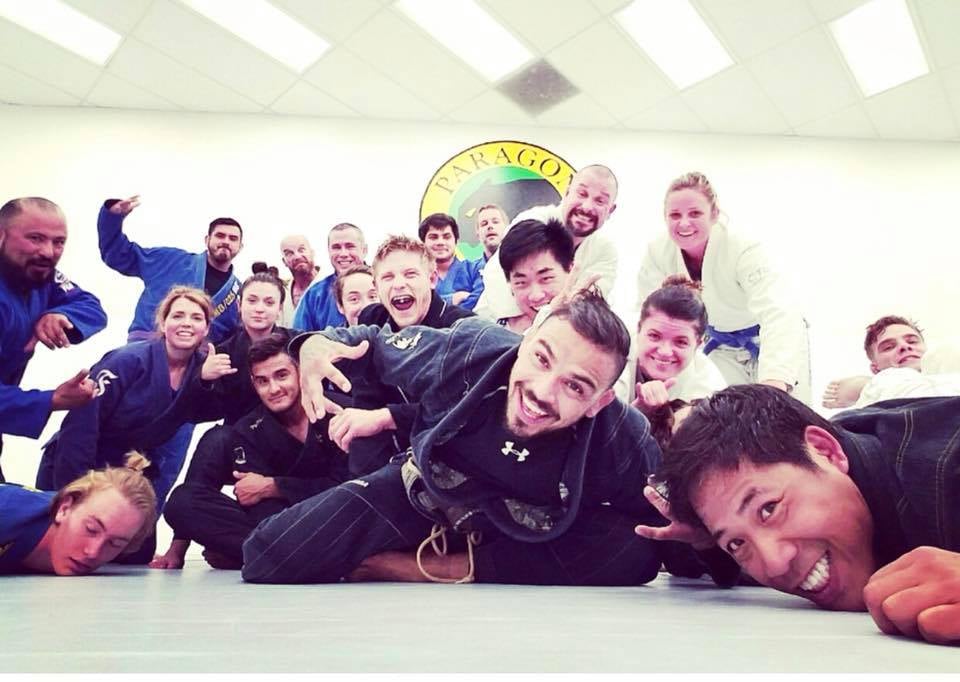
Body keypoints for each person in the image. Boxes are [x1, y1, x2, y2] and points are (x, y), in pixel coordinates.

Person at [241, 291, 728, 586]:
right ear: (524, 343)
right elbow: (371, 343)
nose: (541, 393)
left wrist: (704, 541)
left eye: (575, 386)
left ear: (599, 402)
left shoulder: (621, 436)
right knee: (268, 554)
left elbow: (672, 538)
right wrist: (315, 344)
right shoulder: (472, 348)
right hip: (424, 494)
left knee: (634, 552)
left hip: (525, 537)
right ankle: (425, 549)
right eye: (541, 359)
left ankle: (432, 568)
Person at [638, 384, 960, 645]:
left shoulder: (946, 464)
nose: (774, 565)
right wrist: (708, 543)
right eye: (736, 543)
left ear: (826, 451)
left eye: (769, 509)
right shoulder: (810, 478)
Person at [36, 287, 213, 561]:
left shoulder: (203, 373)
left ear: (206, 328)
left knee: (136, 554)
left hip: (128, 475)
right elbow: (80, 428)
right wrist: (76, 493)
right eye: (178, 315)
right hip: (79, 465)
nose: (186, 323)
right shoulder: (127, 361)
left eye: (196, 317)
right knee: (69, 548)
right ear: (163, 323)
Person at [152, 335, 350, 570]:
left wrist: (275, 486)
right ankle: (269, 552)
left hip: (340, 518)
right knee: (181, 502)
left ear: (300, 372)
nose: (274, 389)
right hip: (285, 524)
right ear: (253, 384)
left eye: (282, 375)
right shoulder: (249, 429)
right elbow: (262, 509)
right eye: (262, 381)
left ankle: (256, 553)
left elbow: (352, 486)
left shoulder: (340, 410)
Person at [636, 172, 809, 402]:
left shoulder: (742, 248)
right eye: (675, 215)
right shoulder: (658, 252)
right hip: (719, 347)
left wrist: (774, 382)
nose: (684, 223)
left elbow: (778, 312)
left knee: (782, 413)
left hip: (773, 341)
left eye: (695, 213)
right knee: (724, 413)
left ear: (714, 213)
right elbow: (645, 314)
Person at [331, 235, 473, 476]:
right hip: (393, 460)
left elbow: (467, 408)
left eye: (410, 274)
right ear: (377, 287)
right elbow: (367, 401)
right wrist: (310, 344)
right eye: (388, 277)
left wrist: (387, 417)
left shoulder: (463, 327)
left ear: (432, 279)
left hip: (456, 461)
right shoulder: (374, 319)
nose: (398, 284)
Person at [0, 197, 107, 481]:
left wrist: (59, 314)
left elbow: (91, 306)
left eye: (58, 242)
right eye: (35, 238)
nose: (48, 252)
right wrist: (52, 399)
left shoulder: (38, 275)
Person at [475, 164, 619, 322]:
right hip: (496, 321)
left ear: (610, 210)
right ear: (567, 192)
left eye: (600, 201)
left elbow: (588, 305)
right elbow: (496, 274)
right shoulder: (533, 220)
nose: (587, 207)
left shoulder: (605, 253)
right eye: (582, 194)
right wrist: (523, 325)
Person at [97, 195, 243, 343]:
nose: (226, 241)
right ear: (207, 240)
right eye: (220, 236)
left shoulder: (240, 294)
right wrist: (112, 219)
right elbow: (119, 255)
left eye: (233, 238)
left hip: (197, 354)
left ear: (240, 246)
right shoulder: (169, 259)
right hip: (146, 344)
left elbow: (238, 338)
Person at [0, 452, 156, 575]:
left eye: (115, 544)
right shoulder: (7, 513)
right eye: (91, 529)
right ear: (64, 508)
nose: (92, 553)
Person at [615, 276, 726, 435]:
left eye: (680, 342)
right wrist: (636, 413)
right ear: (639, 330)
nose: (665, 352)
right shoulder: (610, 354)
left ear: (698, 344)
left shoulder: (709, 390)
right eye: (654, 336)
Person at [181, 272, 295, 426]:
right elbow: (201, 413)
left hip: (290, 427)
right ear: (239, 305)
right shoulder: (222, 354)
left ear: (279, 308)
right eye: (252, 301)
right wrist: (204, 380)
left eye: (269, 303)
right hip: (241, 433)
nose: (259, 309)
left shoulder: (296, 343)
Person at [822, 316, 960, 409]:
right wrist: (870, 386)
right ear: (875, 369)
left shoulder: (944, 356)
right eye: (888, 347)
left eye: (912, 341)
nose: (904, 346)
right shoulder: (886, 379)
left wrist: (863, 386)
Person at [496, 217, 575, 334]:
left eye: (546, 278)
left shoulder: (595, 331)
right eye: (521, 283)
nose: (536, 296)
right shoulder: (498, 334)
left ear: (571, 271)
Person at [293, 223, 367, 331]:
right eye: (336, 247)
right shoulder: (314, 295)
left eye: (350, 246)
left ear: (364, 250)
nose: (343, 254)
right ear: (328, 251)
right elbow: (299, 337)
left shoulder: (383, 285)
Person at [419, 213, 483, 311]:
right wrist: (451, 300)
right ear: (423, 243)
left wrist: (436, 307)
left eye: (446, 237)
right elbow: (416, 306)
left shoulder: (474, 269)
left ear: (456, 241)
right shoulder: (416, 275)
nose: (440, 242)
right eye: (433, 237)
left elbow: (480, 300)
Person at [279, 234, 321, 324]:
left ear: (312, 253)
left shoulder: (332, 285)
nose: (297, 256)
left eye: (301, 250)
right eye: (289, 253)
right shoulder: (282, 294)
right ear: (284, 261)